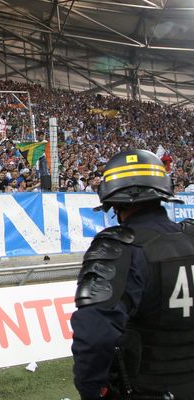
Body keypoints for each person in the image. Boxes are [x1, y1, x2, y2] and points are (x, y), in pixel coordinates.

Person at [71, 149, 193, 400]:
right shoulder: (190, 236)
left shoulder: (120, 249)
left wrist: (90, 391)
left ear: (112, 201)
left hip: (146, 388)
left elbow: (94, 336)